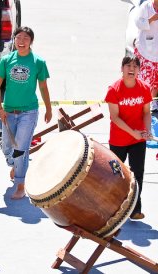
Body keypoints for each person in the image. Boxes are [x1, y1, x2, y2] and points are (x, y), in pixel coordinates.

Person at [0, 26, 52, 200]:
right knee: (7, 148)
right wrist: (0, 109)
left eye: (26, 38)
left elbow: (43, 86)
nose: (21, 41)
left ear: (31, 41)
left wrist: (48, 108)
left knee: (21, 149)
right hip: (8, 112)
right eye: (18, 37)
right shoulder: (6, 60)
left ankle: (20, 184)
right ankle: (16, 166)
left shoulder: (38, 62)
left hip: (29, 112)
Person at [105, 55, 152, 220]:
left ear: (139, 70)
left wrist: (147, 130)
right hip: (118, 140)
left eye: (135, 66)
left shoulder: (145, 88)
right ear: (122, 68)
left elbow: (146, 112)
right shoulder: (113, 90)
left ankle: (135, 209)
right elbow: (115, 117)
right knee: (116, 174)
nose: (131, 69)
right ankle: (113, 209)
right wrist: (133, 132)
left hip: (138, 140)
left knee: (138, 173)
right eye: (128, 65)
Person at [134, 0, 158, 111]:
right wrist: (151, 19)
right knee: (145, 78)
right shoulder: (146, 6)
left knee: (156, 81)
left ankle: (151, 102)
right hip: (146, 49)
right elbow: (138, 23)